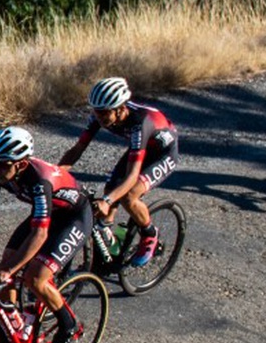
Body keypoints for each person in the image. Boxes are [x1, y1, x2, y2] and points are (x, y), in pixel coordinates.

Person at [0, 126, 91, 343]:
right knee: (6, 265)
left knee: (34, 277)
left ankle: (69, 324)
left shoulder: (39, 180)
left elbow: (40, 234)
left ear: (21, 164)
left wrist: (9, 270)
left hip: (73, 218)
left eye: (3, 164)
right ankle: (10, 334)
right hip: (47, 215)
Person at [57, 77, 180, 266]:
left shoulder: (140, 123)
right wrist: (55, 175)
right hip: (141, 149)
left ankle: (150, 234)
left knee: (128, 196)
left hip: (163, 153)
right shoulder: (100, 115)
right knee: (110, 191)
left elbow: (132, 176)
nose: (99, 117)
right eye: (95, 111)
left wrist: (107, 202)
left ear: (120, 109)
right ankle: (111, 245)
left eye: (104, 112)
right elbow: (77, 149)